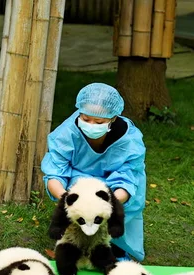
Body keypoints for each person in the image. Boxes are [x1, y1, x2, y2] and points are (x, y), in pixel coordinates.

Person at [41, 82, 147, 261]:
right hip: (79, 182)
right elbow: (54, 171)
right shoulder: (68, 132)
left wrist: (106, 202)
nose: (91, 125)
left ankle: (117, 245)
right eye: (86, 118)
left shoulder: (130, 140)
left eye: (99, 122)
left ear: (113, 118)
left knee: (127, 199)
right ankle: (75, 242)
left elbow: (128, 178)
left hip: (114, 187)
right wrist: (68, 200)